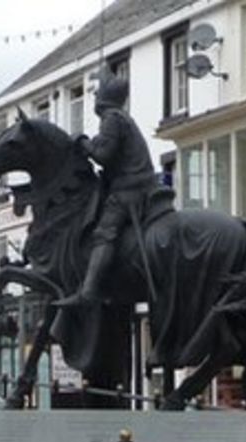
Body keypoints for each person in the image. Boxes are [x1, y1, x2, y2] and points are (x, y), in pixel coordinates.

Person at [53, 65, 159, 308]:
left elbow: (104, 155)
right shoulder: (122, 120)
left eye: (96, 92)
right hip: (137, 186)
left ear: (105, 97)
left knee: (104, 233)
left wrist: (83, 141)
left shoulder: (112, 119)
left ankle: (89, 290)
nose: (93, 96)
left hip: (130, 191)